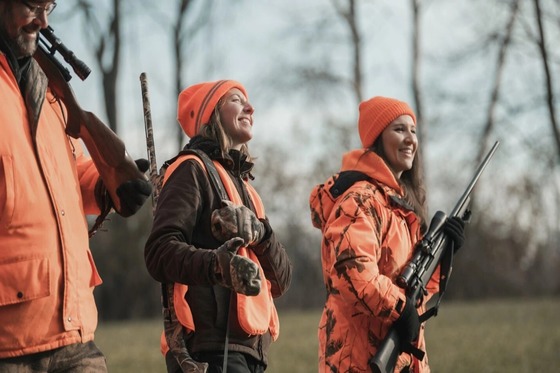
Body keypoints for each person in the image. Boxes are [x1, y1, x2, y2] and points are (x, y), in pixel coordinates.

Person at [0, 1, 152, 371]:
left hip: (76, 328)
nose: (44, 19)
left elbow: (60, 169)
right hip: (10, 339)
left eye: (49, 6)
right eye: (33, 5)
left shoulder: (45, 86)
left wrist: (102, 185)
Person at [144, 80, 292, 373]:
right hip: (207, 353)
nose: (250, 107)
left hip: (252, 353)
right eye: (236, 99)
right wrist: (217, 266)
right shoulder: (191, 169)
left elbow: (282, 280)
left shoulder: (248, 190)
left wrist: (261, 233)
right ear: (210, 114)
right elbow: (159, 252)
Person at [309, 96, 464, 372]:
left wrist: (443, 256)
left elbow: (415, 294)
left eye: (413, 131)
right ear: (378, 138)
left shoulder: (401, 209)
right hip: (357, 361)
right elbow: (354, 273)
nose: (410, 139)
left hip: (401, 360)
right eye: (399, 129)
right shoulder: (360, 200)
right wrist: (401, 309)